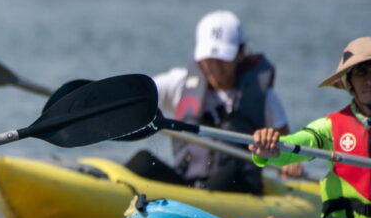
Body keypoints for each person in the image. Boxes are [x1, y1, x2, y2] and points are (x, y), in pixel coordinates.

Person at [124, 10, 303, 194]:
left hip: (238, 186)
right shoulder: (180, 83)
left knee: (233, 171)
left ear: (240, 53)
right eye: (208, 58)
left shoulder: (264, 97)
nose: (214, 66)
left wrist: (292, 162)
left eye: (222, 59)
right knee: (142, 160)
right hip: (188, 183)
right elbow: (136, 99)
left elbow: (286, 145)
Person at [249, 37, 371, 218]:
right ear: (349, 80)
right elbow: (296, 144)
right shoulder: (330, 127)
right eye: (361, 71)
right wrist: (269, 146)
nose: (369, 79)